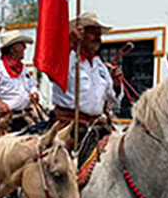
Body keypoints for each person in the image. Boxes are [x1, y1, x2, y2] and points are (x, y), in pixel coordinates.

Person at [51, 12, 123, 155]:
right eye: (93, 34)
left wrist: (116, 83)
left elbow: (112, 97)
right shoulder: (67, 56)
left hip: (96, 124)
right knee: (57, 166)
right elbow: (54, 74)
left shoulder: (99, 64)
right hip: (70, 125)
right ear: (81, 35)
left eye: (99, 35)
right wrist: (70, 44)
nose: (98, 39)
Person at [0, 30, 39, 128]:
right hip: (5, 117)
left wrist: (34, 93)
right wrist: (0, 103)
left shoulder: (23, 68)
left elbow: (32, 84)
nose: (24, 47)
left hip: (23, 115)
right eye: (21, 44)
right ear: (13, 48)